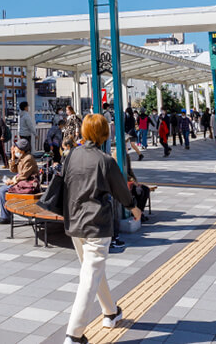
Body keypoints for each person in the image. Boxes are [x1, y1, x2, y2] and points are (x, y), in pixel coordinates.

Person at [61, 114, 141, 344]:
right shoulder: (106, 160)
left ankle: (110, 312)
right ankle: (74, 336)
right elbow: (121, 191)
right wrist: (133, 209)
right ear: (105, 134)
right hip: (97, 224)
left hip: (74, 223)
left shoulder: (71, 155)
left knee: (93, 271)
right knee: (89, 277)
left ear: (84, 132)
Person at [0, 138, 40, 224]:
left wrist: (13, 181)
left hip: (28, 184)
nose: (14, 149)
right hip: (22, 183)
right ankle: (6, 215)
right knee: (3, 189)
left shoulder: (28, 158)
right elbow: (13, 170)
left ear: (21, 149)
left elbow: (24, 175)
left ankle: (5, 217)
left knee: (3, 190)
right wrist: (12, 157)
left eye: (15, 147)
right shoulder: (22, 157)